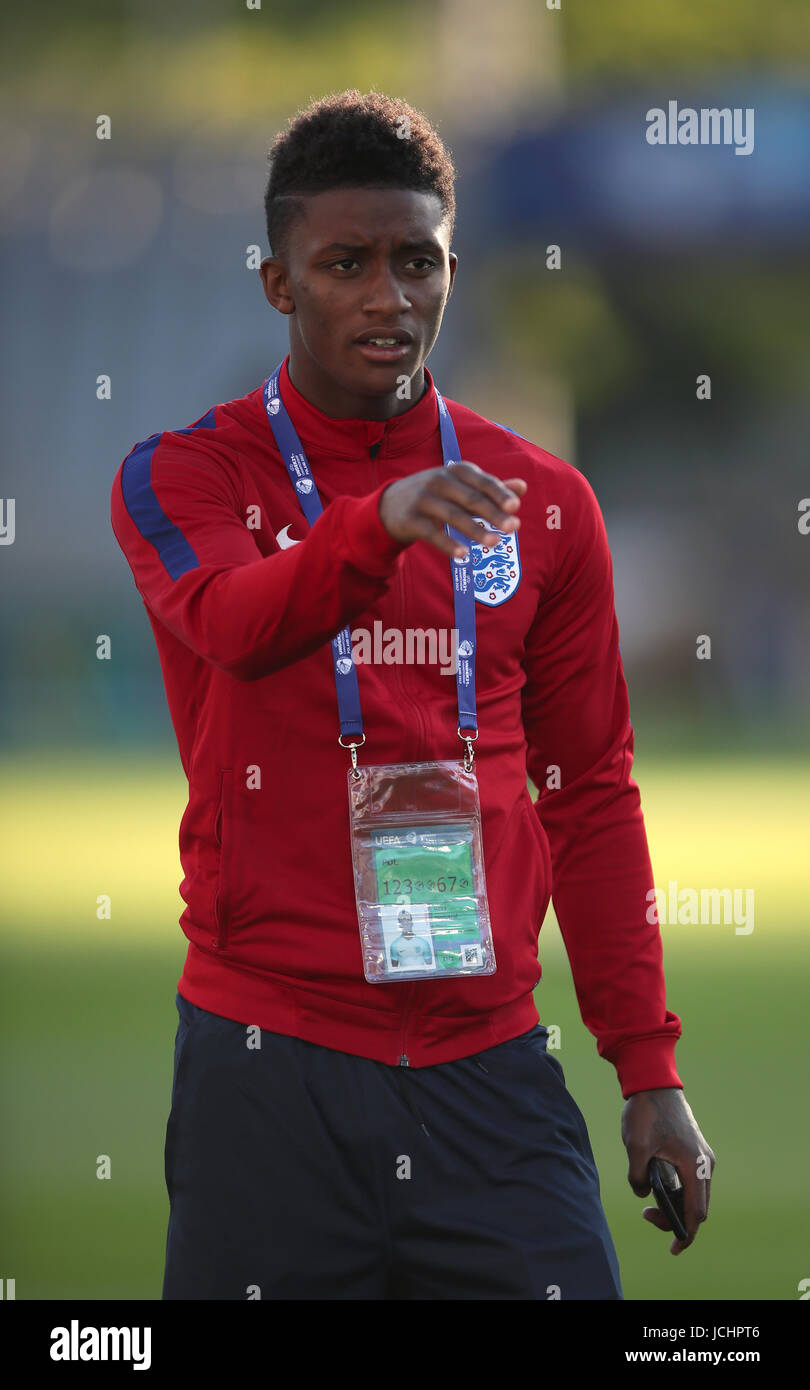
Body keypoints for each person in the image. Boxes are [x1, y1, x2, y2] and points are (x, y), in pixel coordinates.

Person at [110, 88, 715, 1300]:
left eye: (416, 261)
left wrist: (647, 1065)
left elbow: (589, 790)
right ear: (279, 282)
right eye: (346, 263)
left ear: (452, 268)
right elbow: (236, 624)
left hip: (487, 1064)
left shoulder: (541, 500)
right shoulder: (187, 475)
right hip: (267, 1063)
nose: (389, 296)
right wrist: (374, 522)